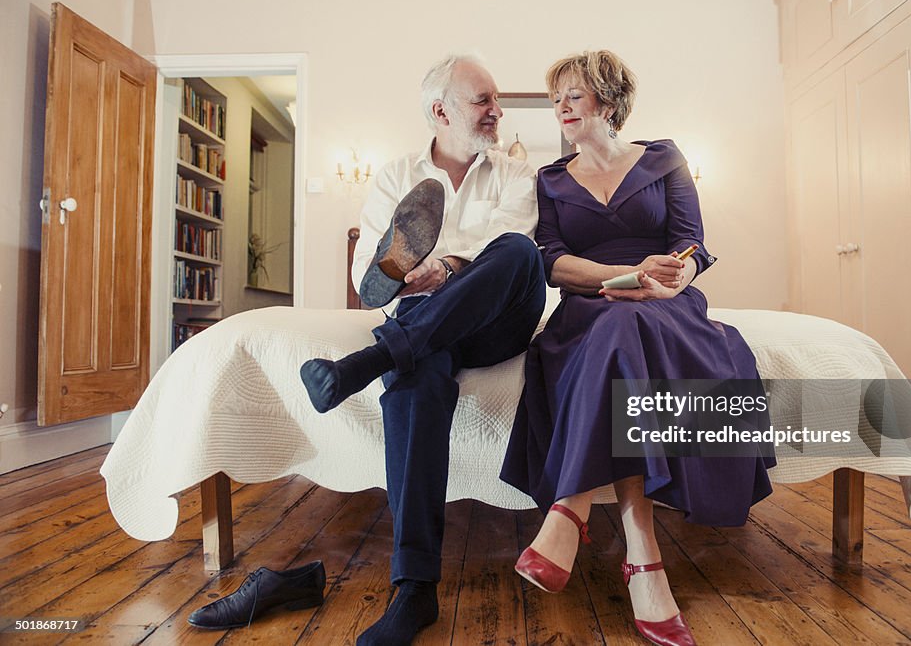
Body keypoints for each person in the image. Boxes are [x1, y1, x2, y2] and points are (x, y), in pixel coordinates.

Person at [500, 50, 775, 646]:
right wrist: (618, 274)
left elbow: (692, 244)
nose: (562, 109)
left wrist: (671, 276)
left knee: (631, 330)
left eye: (573, 96)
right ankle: (642, 556)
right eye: (556, 100)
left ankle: (570, 512)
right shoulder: (549, 180)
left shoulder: (665, 159)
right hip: (590, 305)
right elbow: (550, 262)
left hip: (664, 306)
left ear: (607, 99)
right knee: (616, 329)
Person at [300, 55, 546, 645]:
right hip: (421, 319)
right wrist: (406, 276)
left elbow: (512, 240)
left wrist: (451, 265)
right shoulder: (393, 177)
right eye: (483, 100)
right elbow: (369, 276)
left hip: (496, 317)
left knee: (516, 251)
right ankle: (414, 590)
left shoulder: (515, 172)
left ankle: (368, 362)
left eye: (495, 101)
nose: (497, 111)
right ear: (441, 111)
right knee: (416, 374)